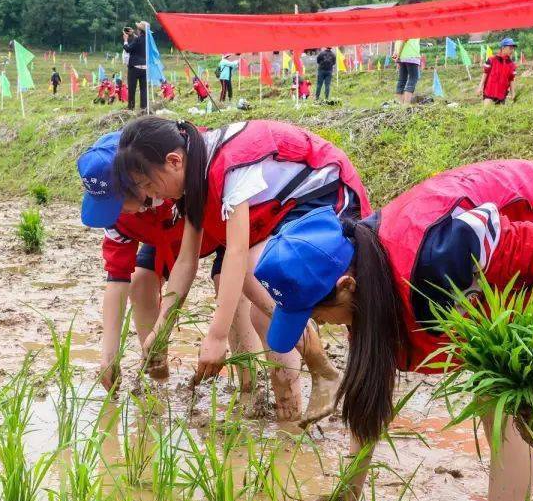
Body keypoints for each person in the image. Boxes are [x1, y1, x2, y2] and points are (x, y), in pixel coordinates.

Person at [252, 160, 533, 501]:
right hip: (506, 271)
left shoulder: (437, 256)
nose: (323, 324)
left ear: (345, 286)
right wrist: (348, 494)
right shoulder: (366, 275)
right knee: (498, 390)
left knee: (508, 393)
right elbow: (371, 389)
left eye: (316, 313)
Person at [113, 117, 372, 424]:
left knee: (255, 269)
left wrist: (217, 334)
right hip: (285, 210)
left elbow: (236, 252)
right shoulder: (193, 181)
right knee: (260, 315)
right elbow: (186, 262)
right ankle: (289, 420)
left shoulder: (229, 165)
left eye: (148, 184)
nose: (150, 196)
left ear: (174, 161)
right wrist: (160, 330)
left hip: (327, 195)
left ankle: (323, 369)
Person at [77, 132, 260, 394]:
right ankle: (157, 373)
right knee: (140, 282)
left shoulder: (172, 183)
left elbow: (190, 261)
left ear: (139, 182)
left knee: (230, 286)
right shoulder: (121, 218)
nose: (116, 213)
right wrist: (109, 356)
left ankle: (249, 383)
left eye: (116, 204)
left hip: (217, 228)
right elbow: (116, 278)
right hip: (165, 239)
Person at [393, 0, 424, 104]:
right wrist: (398, 55)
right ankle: (406, 104)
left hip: (402, 55)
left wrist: (396, 56)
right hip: (411, 54)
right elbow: (404, 39)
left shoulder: (402, 20)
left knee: (402, 79)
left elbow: (398, 40)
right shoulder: (413, 21)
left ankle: (399, 104)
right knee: (413, 78)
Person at [480, 37, 518, 105]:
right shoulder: (491, 60)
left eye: (513, 48)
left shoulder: (512, 65)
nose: (512, 50)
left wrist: (513, 93)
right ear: (503, 48)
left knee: (498, 115)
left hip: (502, 95)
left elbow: (511, 80)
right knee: (485, 113)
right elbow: (485, 73)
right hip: (489, 93)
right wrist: (480, 87)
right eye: (510, 48)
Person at [122, 23, 148, 110]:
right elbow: (138, 40)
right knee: (143, 89)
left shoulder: (138, 39)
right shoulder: (147, 40)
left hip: (134, 67)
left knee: (132, 88)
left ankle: (131, 107)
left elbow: (128, 49)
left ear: (140, 30)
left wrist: (125, 40)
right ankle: (144, 108)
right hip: (145, 67)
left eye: (137, 29)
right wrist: (132, 34)